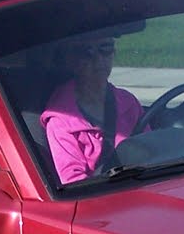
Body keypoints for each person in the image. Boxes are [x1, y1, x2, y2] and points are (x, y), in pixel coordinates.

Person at [39, 35, 144, 184]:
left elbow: (152, 150)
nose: (99, 60)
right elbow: (73, 181)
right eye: (87, 52)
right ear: (71, 61)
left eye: (105, 49)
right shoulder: (60, 121)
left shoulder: (128, 101)